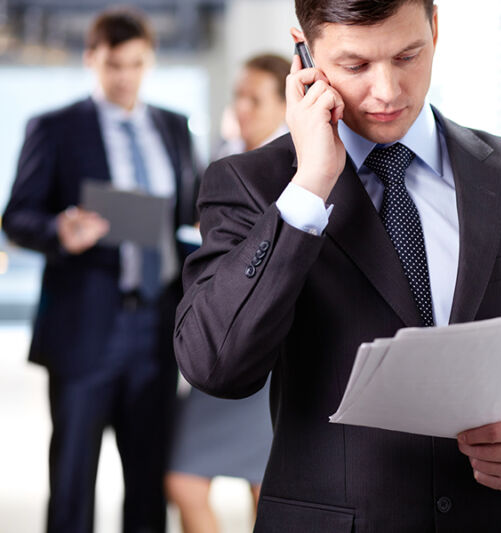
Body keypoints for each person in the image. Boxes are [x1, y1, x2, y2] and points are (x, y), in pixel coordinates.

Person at [173, 1, 501, 531]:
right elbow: (215, 365)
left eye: (407, 56)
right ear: (305, 51)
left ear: (435, 30)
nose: (386, 91)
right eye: (356, 66)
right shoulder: (251, 186)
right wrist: (309, 188)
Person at [2, 8, 199, 533]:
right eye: (114, 64)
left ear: (149, 60)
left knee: (147, 479)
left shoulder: (173, 128)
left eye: (136, 63)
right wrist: (60, 230)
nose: (125, 76)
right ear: (92, 60)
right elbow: (16, 216)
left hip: (156, 328)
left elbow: (192, 211)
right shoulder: (55, 127)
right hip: (84, 326)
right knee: (72, 481)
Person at [165, 53, 291, 533]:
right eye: (237, 96)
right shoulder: (231, 160)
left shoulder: (295, 166)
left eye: (253, 99)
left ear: (286, 104)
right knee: (190, 479)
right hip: (223, 336)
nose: (240, 107)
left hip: (265, 344)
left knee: (262, 485)